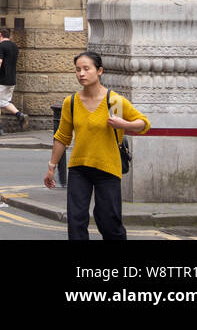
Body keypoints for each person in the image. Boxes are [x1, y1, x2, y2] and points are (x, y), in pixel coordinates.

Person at [45, 50, 150, 241]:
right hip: (79, 168)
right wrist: (51, 167)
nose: (81, 74)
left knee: (109, 221)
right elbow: (62, 137)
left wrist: (124, 125)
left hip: (107, 168)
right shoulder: (71, 103)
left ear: (99, 71)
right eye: (78, 70)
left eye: (86, 69)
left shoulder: (114, 101)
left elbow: (143, 123)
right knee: (76, 221)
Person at [0, 26, 28, 134]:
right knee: (4, 101)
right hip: (11, 80)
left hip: (1, 80)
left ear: (0, 34)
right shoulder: (14, 46)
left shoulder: (1, 46)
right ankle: (20, 115)